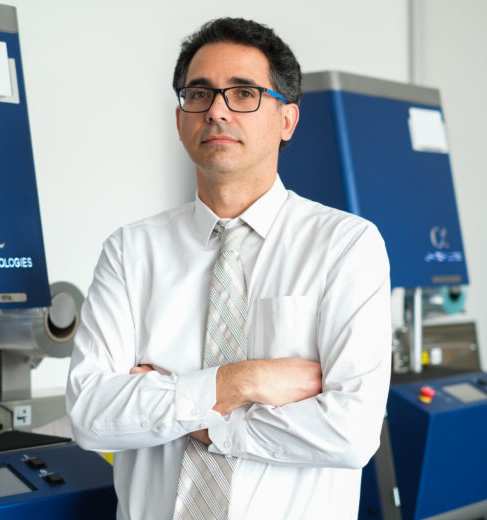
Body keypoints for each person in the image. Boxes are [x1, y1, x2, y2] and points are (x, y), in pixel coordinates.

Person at [67, 17, 391, 520]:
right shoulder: (131, 251)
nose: (216, 110)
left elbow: (351, 433)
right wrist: (241, 381)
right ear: (180, 120)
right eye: (199, 94)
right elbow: (91, 416)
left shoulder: (345, 245)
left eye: (243, 93)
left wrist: (197, 419)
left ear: (287, 120)